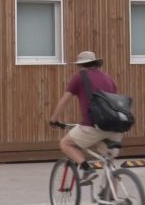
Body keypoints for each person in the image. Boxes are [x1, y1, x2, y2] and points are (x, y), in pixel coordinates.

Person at [49, 50, 121, 184]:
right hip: (114, 126)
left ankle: (87, 170)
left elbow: (65, 100)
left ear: (80, 65)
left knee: (66, 144)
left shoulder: (80, 77)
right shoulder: (108, 77)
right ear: (95, 63)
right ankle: (114, 200)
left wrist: (54, 119)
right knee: (109, 164)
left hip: (93, 125)